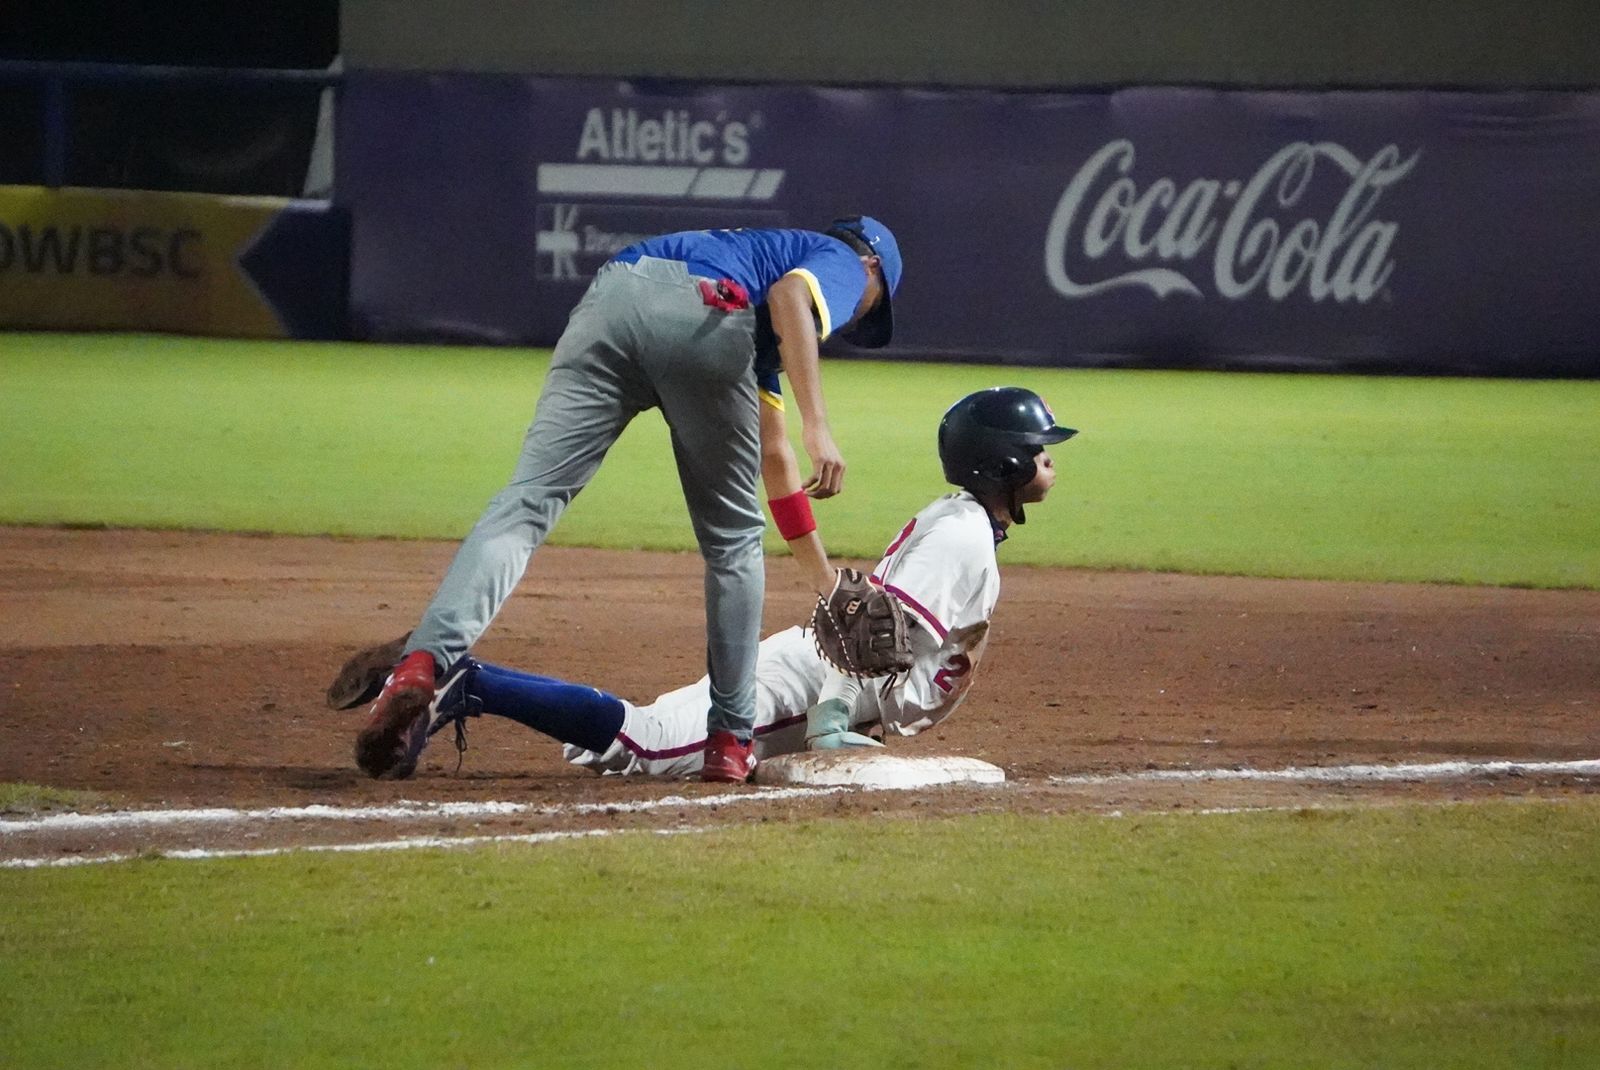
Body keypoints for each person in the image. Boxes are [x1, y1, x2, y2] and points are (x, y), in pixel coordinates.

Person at [354, 218, 904, 784]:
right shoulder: (836, 257)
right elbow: (793, 295)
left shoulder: (756, 303)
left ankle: (421, 662)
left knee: (526, 502)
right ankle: (729, 739)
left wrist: (826, 583)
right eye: (873, 302)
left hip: (615, 296)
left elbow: (775, 457)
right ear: (871, 269)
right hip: (709, 310)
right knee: (733, 543)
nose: (858, 314)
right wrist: (819, 424)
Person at [386, 387, 1076, 780]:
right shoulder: (962, 538)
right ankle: (466, 682)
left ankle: (462, 680)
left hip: (810, 672)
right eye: (1041, 452)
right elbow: (868, 633)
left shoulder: (965, 526)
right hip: (804, 684)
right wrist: (832, 716)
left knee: (639, 743)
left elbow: (874, 630)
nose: (1050, 462)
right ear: (1005, 462)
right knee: (642, 746)